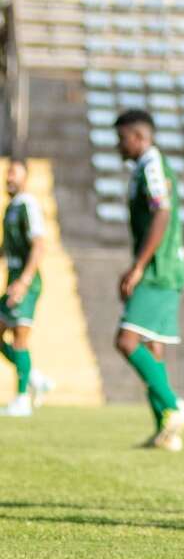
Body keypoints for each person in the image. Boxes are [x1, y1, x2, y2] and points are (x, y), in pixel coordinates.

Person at [113, 109, 184, 451]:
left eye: (122, 139)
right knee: (151, 344)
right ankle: (166, 430)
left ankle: (174, 405)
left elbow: (162, 211)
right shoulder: (144, 168)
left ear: (139, 137)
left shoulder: (152, 165)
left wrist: (138, 266)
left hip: (159, 269)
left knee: (126, 341)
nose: (118, 146)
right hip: (160, 267)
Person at [0, 159, 54, 417]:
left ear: (25, 177)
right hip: (13, 281)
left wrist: (24, 281)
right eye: (7, 173)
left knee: (20, 337)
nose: (9, 178)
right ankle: (34, 377)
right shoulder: (12, 207)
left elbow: (39, 244)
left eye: (14, 174)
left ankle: (22, 399)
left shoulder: (29, 205)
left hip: (26, 283)